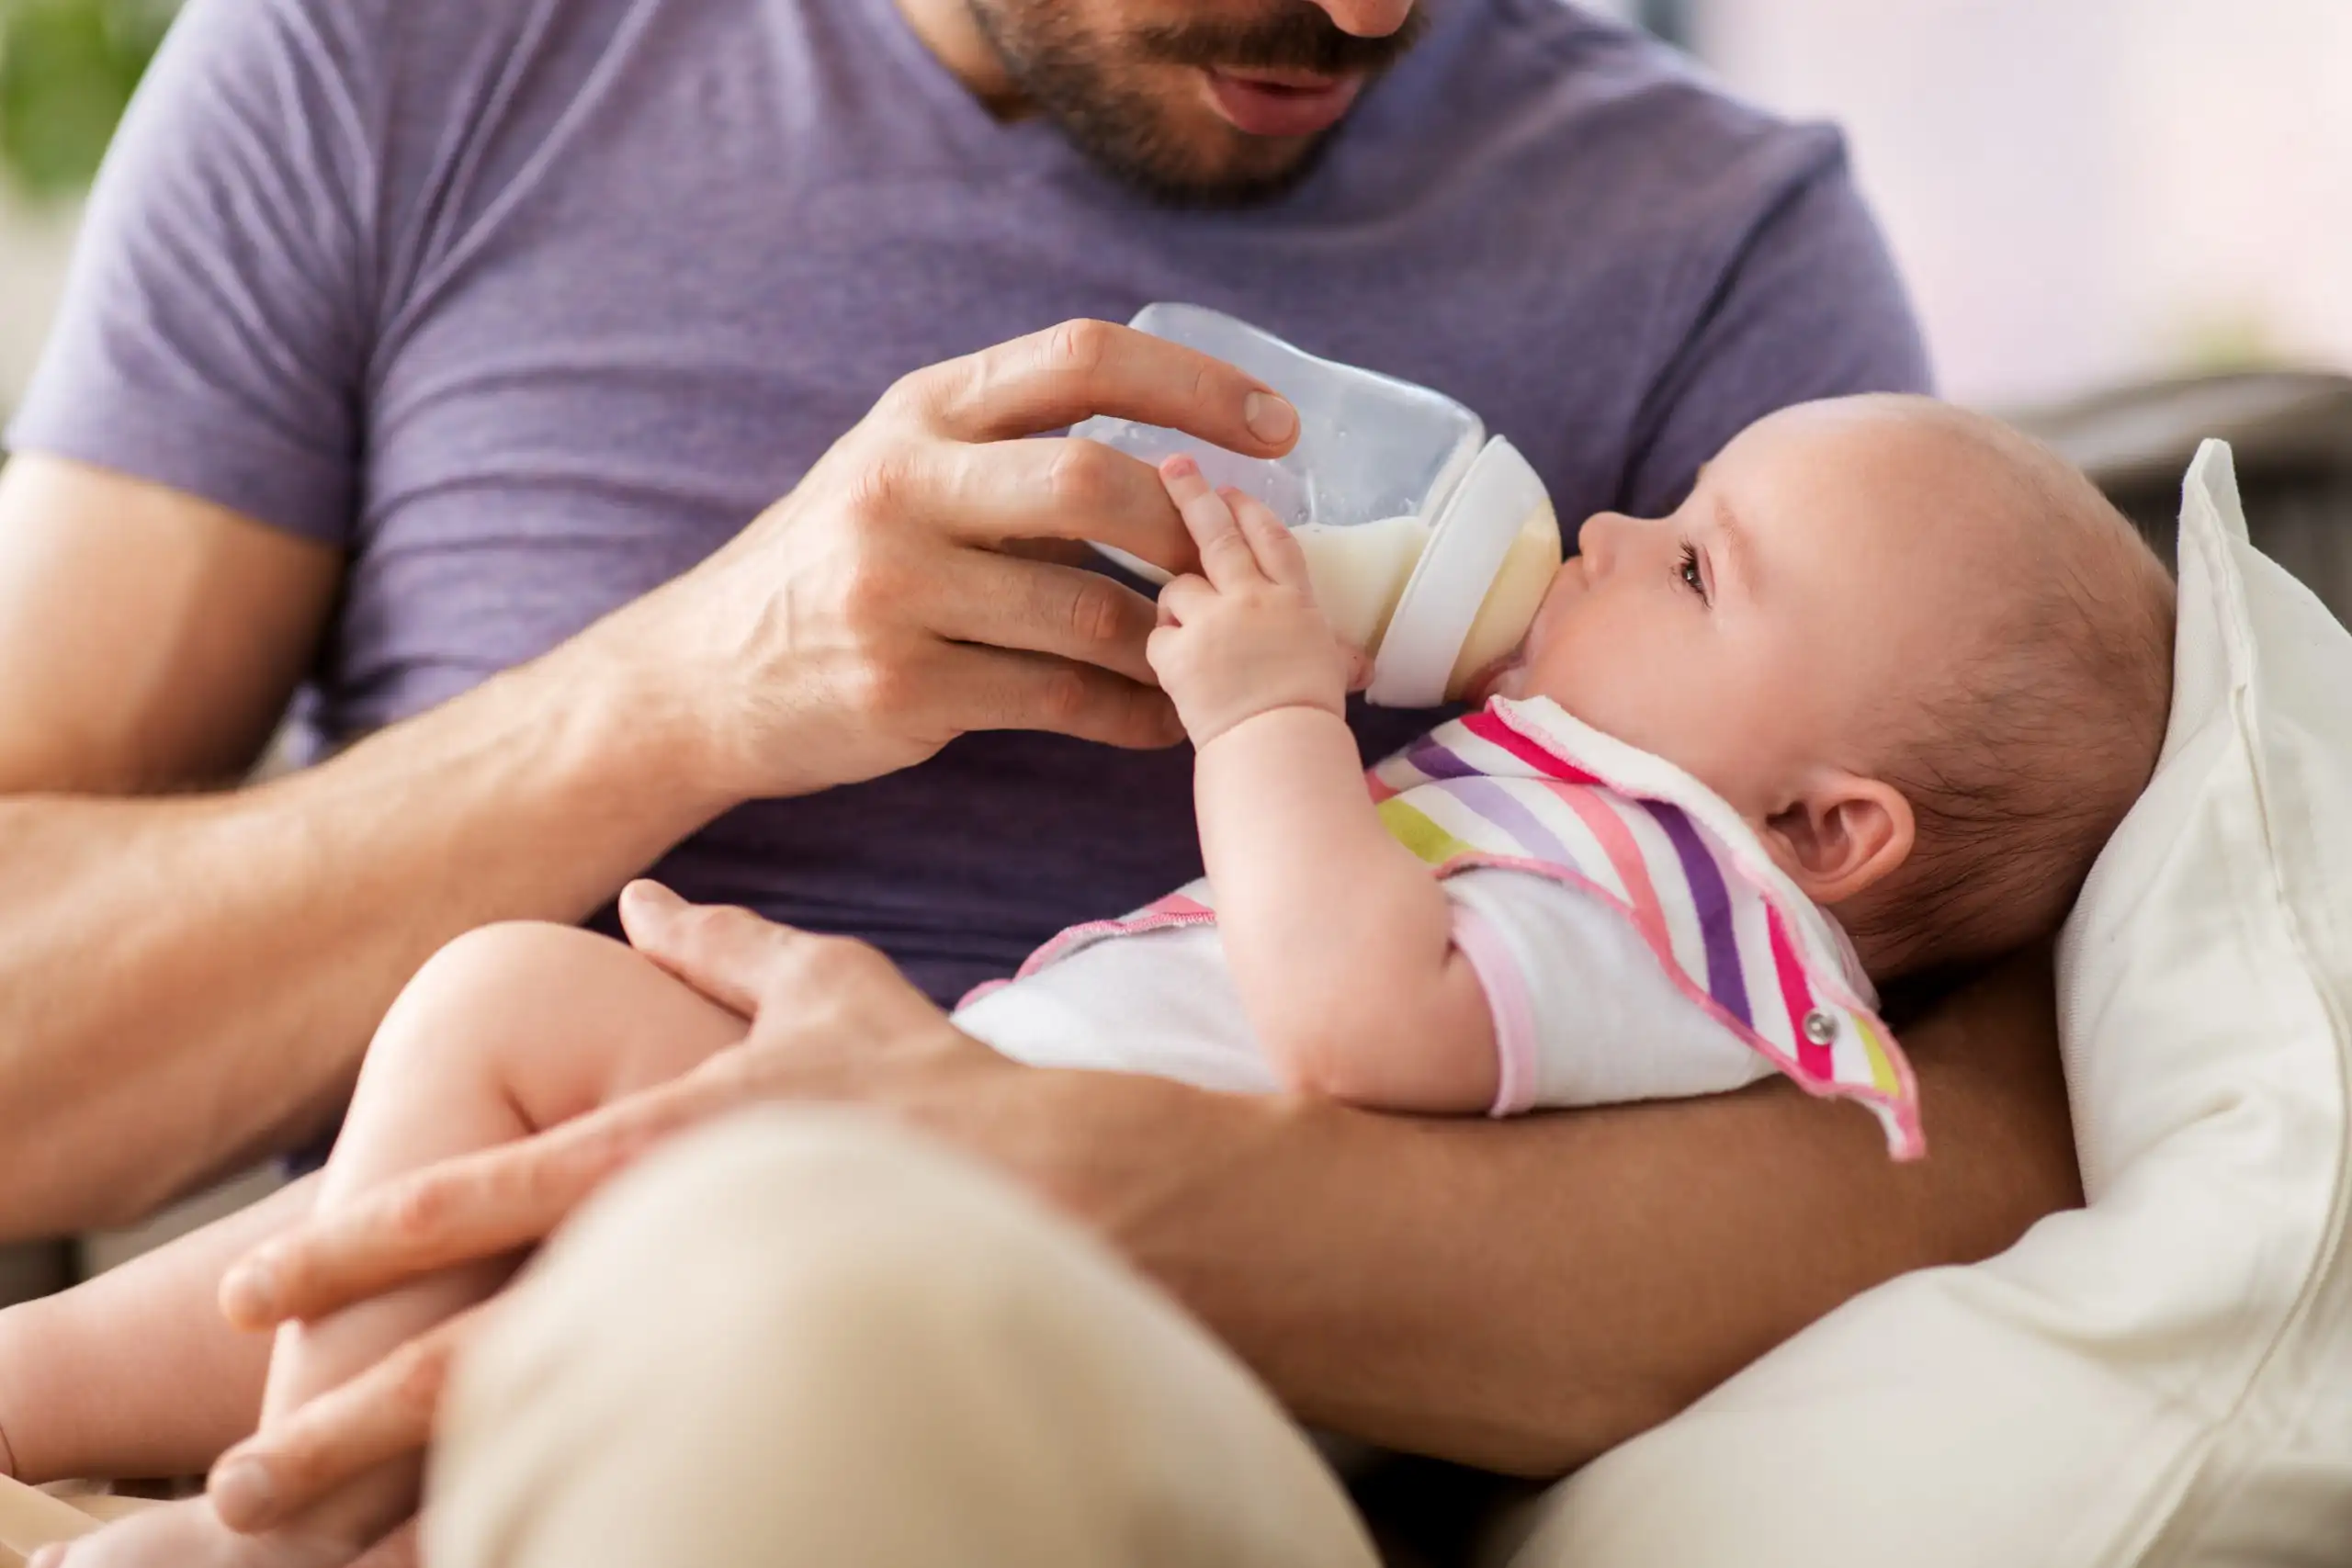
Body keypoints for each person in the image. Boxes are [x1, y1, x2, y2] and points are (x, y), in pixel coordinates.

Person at [0, 0, 2083, 1560]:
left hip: (1093, 1383)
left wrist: (1054, 1170)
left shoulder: (1713, 244)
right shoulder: (395, 63)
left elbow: (1982, 1159)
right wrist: (686, 688)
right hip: (539, 1277)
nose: (1361, 14)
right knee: (492, 1033)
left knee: (783, 1323)